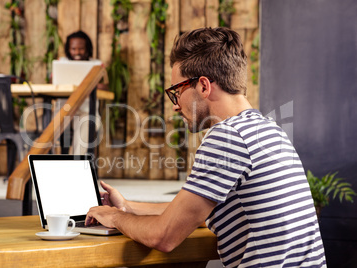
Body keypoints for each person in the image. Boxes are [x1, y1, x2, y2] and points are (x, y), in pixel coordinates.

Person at [85, 27, 326, 267]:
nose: (175, 105)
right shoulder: (267, 129)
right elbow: (192, 211)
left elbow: (164, 236)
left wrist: (116, 217)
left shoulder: (228, 136)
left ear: (203, 86)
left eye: (176, 92)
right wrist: (127, 207)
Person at [56, 30, 100, 154]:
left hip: (85, 111)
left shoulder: (96, 66)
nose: (77, 52)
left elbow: (103, 87)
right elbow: (53, 83)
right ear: (68, 49)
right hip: (63, 111)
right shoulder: (61, 63)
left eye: (81, 49)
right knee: (50, 124)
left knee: (85, 125)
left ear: (87, 49)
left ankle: (75, 166)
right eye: (73, 49)